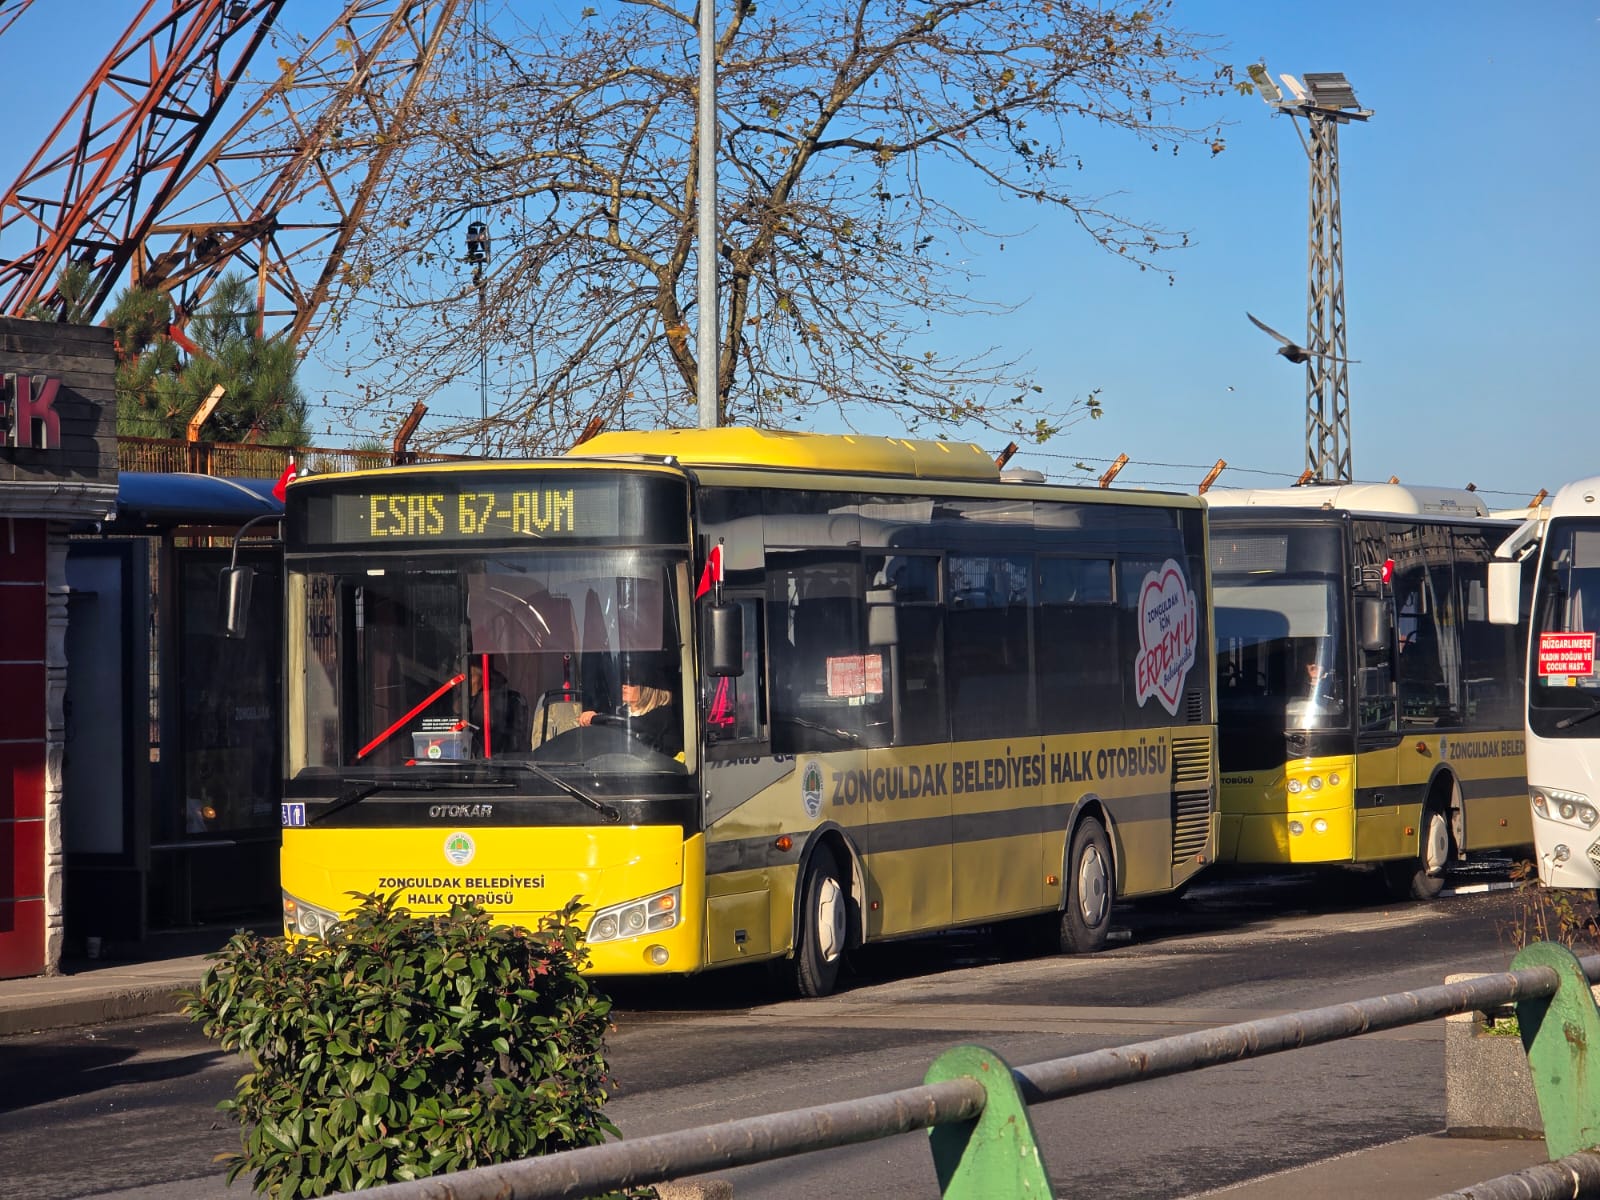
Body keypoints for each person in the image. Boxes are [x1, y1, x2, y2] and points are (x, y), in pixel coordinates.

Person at [579, 661, 680, 755]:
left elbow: (639, 725)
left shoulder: (663, 716)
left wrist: (597, 719)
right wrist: (594, 719)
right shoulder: (620, 713)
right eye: (623, 681)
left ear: (648, 689)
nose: (624, 686)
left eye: (631, 682)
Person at [467, 658, 529, 756]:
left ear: (484, 677)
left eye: (470, 676)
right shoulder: (461, 699)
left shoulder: (506, 699)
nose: (465, 681)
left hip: (500, 759)